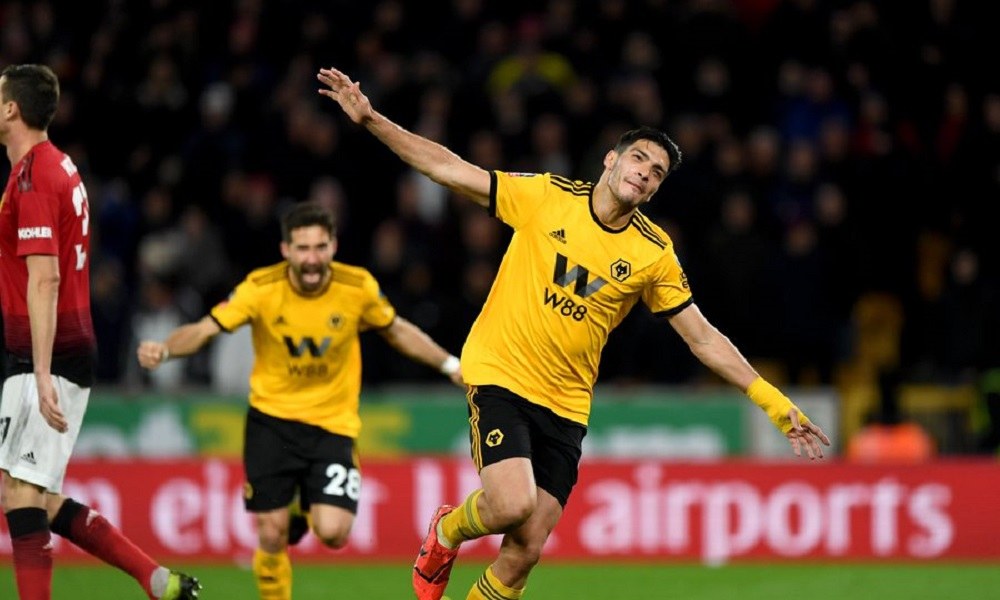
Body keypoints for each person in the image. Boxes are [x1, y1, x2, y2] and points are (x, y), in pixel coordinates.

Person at [317, 66, 831, 600]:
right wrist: (372, 120)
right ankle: (448, 530)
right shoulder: (546, 197)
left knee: (525, 551)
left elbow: (701, 337)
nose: (645, 173)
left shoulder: (653, 253)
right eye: (638, 159)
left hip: (566, 404)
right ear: (611, 159)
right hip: (501, 374)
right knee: (512, 504)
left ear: (656, 190)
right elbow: (450, 169)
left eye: (657, 172)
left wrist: (773, 402)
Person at [137, 201, 465, 600]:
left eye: (320, 247)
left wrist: (449, 364)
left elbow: (395, 329)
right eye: (303, 248)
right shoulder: (260, 288)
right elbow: (207, 328)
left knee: (334, 533)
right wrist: (166, 350)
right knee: (271, 533)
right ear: (286, 250)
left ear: (333, 246)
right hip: (271, 423)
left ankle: (299, 509)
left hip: (333, 426)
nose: (312, 258)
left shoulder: (356, 286)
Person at [0, 64, 200, 600]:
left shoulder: (34, 175)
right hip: (44, 349)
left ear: (11, 109)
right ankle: (154, 579)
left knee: (22, 494)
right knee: (34, 496)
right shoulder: (55, 166)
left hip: (46, 352)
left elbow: (46, 277)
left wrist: (42, 372)